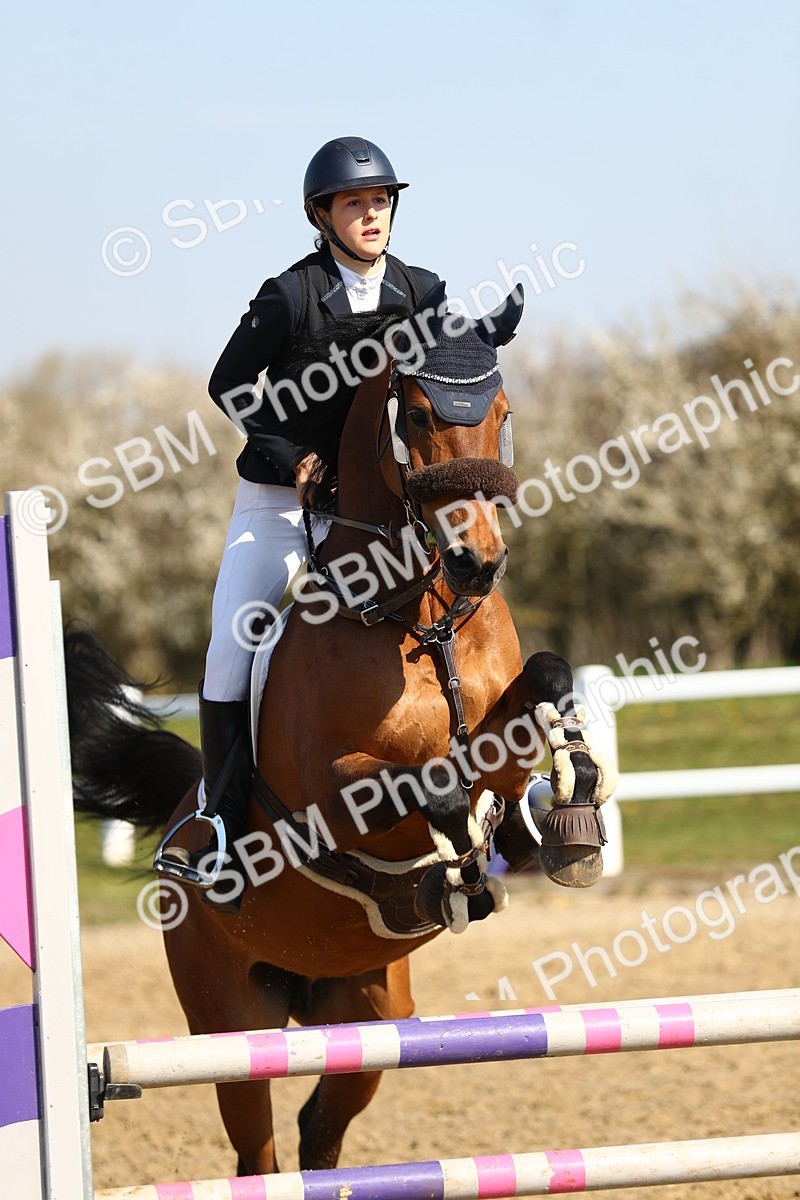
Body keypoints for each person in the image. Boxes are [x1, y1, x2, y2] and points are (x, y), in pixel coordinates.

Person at [155, 137, 442, 911]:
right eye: (355, 203)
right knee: (232, 643)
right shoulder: (290, 294)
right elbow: (229, 382)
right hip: (282, 508)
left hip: (377, 511)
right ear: (324, 216)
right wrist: (290, 458)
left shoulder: (421, 290)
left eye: (380, 200)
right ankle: (216, 820)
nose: (371, 214)